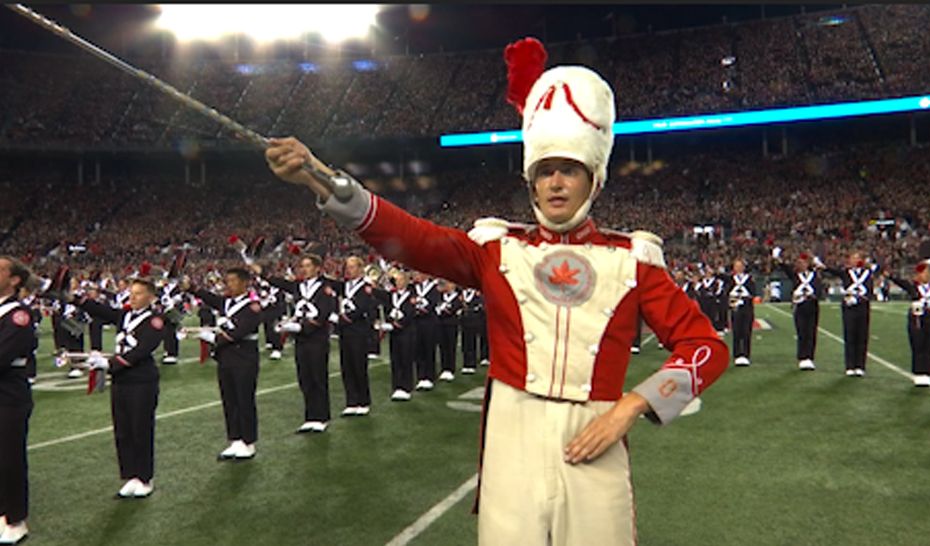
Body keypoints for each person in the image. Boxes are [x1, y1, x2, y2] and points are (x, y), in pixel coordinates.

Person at [265, 37, 729, 545]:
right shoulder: (496, 249)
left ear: (594, 181)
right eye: (544, 171)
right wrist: (321, 179)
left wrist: (631, 406)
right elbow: (411, 238)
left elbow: (706, 349)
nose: (555, 183)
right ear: (530, 181)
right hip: (513, 441)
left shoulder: (633, 261)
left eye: (569, 170)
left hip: (598, 439)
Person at [76, 277, 164, 499]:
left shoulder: (155, 321)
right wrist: (74, 299)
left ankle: (145, 477)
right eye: (131, 293)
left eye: (139, 294)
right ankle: (131, 475)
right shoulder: (125, 315)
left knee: (140, 428)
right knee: (123, 429)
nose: (132, 297)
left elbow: (142, 350)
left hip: (141, 380)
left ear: (151, 297)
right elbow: (99, 310)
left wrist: (110, 364)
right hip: (121, 380)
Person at [252, 254, 337, 432]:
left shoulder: (326, 287)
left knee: (317, 377)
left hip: (317, 338)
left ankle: (321, 417)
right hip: (301, 339)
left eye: (307, 266)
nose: (304, 269)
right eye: (302, 266)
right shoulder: (298, 286)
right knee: (304, 377)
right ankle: (310, 416)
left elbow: (324, 313)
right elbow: (280, 283)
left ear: (317, 268)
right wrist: (263, 274)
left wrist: (301, 327)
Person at [185, 268, 263, 459]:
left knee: (244, 399)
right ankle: (235, 439)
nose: (229, 284)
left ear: (245, 283)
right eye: (227, 280)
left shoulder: (253, 306)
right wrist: (192, 288)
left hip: (244, 357)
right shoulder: (227, 303)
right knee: (229, 399)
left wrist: (209, 336)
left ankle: (248, 441)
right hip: (226, 357)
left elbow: (238, 332)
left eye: (233, 281)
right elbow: (209, 297)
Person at [0, 257, 38, 544]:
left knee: (9, 457)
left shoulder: (18, 315)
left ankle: (15, 518)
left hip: (8, 396)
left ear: (14, 280)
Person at [821, 250, 880, 377]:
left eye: (857, 258)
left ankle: (860, 366)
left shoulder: (868, 273)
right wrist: (821, 265)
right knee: (850, 335)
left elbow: (870, 289)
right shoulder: (846, 273)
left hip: (863, 306)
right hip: (849, 307)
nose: (855, 260)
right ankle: (850, 365)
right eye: (853, 258)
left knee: (862, 335)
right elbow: (832, 271)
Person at [334, 256, 378, 416]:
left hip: (358, 330)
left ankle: (363, 400)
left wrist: (343, 318)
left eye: (352, 267)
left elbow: (362, 307)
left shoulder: (365, 287)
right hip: (345, 331)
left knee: (359, 365)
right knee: (346, 365)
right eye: (347, 266)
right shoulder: (345, 286)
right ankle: (351, 401)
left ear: (360, 269)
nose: (348, 269)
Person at [886, 261, 930, 387]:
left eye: (926, 273)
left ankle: (927, 373)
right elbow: (901, 282)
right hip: (916, 319)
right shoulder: (913, 286)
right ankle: (918, 372)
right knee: (917, 345)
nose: (923, 275)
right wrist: (889, 275)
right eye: (921, 273)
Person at [772, 248, 824, 370]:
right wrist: (777, 257)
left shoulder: (814, 274)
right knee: (801, 331)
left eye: (803, 262)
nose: (800, 264)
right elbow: (783, 266)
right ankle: (802, 357)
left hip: (812, 305)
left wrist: (813, 258)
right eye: (798, 263)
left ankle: (810, 357)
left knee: (811, 332)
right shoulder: (795, 275)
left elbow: (821, 272)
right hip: (800, 306)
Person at [377, 270, 418, 400]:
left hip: (406, 331)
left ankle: (406, 387)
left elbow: (410, 313)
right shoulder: (392, 295)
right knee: (395, 358)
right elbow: (387, 308)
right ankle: (397, 386)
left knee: (406, 358)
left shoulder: (411, 296)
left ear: (406, 281)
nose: (398, 283)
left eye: (401, 280)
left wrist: (396, 324)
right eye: (397, 280)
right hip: (394, 333)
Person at [723, 259, 756, 366]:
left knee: (746, 331)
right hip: (735, 307)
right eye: (736, 266)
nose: (738, 268)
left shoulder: (749, 278)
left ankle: (746, 354)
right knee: (736, 331)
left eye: (739, 266)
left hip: (747, 307)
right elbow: (727, 291)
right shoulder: (730, 279)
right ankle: (737, 354)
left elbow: (753, 292)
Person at [411, 271, 440, 391]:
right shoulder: (413, 288)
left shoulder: (434, 288)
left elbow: (433, 304)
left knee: (429, 348)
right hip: (416, 322)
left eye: (419, 274)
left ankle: (429, 376)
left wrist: (419, 308)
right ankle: (420, 376)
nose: (416, 276)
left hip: (429, 322)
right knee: (418, 349)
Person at [459, 286, 485, 375]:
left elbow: (480, 305)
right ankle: (465, 363)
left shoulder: (477, 293)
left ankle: (471, 364)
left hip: (474, 320)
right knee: (465, 342)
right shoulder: (462, 293)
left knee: (472, 341)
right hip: (464, 321)